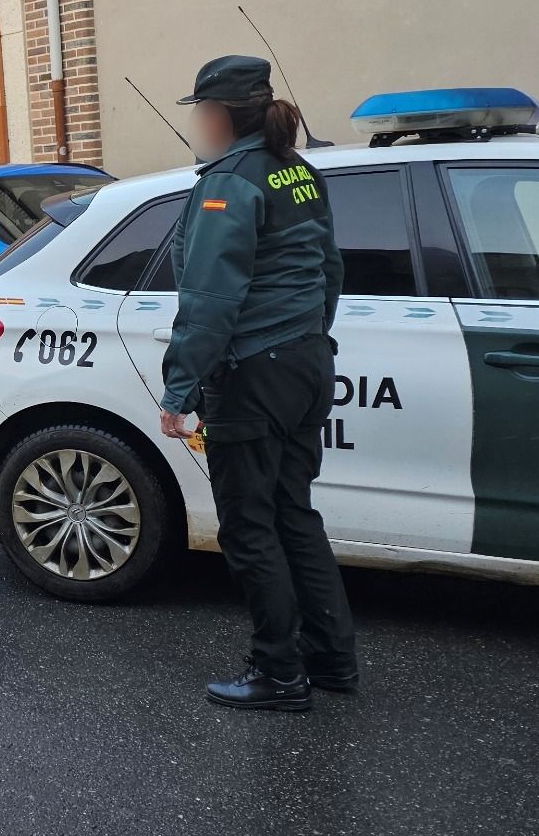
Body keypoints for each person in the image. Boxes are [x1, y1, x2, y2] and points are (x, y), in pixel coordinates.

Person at [158, 55, 356, 713]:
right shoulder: (297, 170)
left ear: (219, 115)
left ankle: (279, 672)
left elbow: (210, 298)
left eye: (199, 110)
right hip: (306, 363)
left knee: (249, 527)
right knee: (293, 512)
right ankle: (330, 659)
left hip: (252, 376)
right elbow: (330, 269)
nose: (196, 122)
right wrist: (308, 337)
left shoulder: (228, 183)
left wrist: (179, 391)